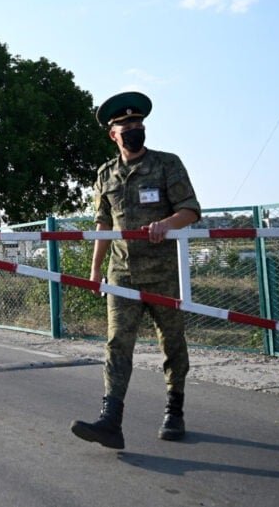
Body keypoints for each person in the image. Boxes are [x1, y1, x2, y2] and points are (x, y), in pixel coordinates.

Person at [71, 91, 201, 450]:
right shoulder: (105, 175)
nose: (134, 128)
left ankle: (174, 410)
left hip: (162, 273)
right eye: (126, 124)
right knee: (117, 345)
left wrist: (167, 223)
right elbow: (102, 225)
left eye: (138, 122)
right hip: (122, 274)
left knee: (172, 343)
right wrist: (95, 271)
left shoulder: (166, 164)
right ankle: (111, 419)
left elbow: (191, 210)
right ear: (112, 133)